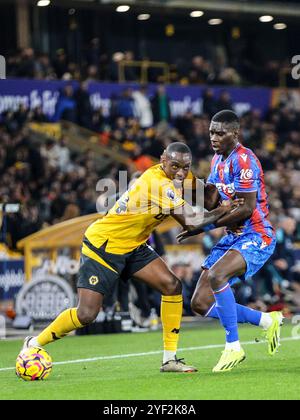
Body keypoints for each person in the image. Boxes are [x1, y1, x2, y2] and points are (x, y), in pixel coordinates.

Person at [22, 142, 241, 373]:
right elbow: (192, 221)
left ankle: (170, 359)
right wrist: (222, 210)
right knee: (86, 314)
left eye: (185, 167)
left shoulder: (181, 178)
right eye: (175, 166)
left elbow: (207, 198)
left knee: (172, 285)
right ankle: (33, 343)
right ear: (162, 160)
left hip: (134, 245)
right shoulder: (157, 183)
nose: (180, 172)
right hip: (104, 245)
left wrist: (226, 187)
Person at [177, 110, 283, 373]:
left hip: (256, 234)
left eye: (220, 132)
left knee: (216, 276)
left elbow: (246, 208)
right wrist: (187, 184)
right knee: (199, 303)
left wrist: (203, 225)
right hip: (232, 237)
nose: (213, 136)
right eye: (211, 131)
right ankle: (266, 321)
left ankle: (233, 346)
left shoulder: (244, 160)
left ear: (235, 134)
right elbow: (214, 202)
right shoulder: (217, 160)